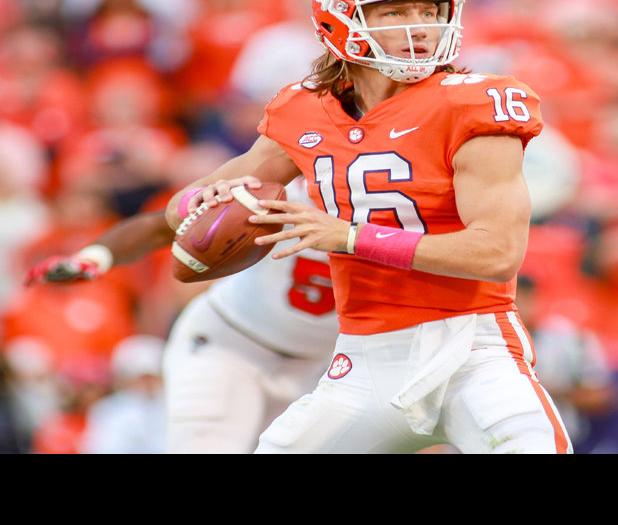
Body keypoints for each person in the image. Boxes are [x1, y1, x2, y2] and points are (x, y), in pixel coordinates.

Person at [166, 0, 570, 454]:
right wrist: (195, 205)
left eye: (428, 12)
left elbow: (496, 253)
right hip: (364, 358)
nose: (419, 27)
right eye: (395, 13)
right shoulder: (306, 110)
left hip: (472, 349)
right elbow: (195, 202)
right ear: (340, 22)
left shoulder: (473, 103)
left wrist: (350, 236)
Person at [26, 178, 339, 453]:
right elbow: (162, 227)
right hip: (234, 346)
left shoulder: (385, 217)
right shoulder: (282, 188)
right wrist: (95, 256)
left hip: (327, 367)